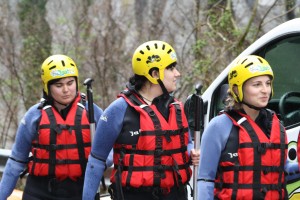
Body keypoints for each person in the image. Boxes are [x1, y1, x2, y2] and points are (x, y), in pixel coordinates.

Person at [83, 40, 200, 200]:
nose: (177, 73)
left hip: (176, 194)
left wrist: (191, 152)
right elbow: (96, 160)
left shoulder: (177, 108)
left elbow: (185, 143)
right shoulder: (119, 109)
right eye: (171, 68)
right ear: (154, 74)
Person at [0, 54, 108, 200]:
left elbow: (111, 151)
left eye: (70, 83)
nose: (66, 90)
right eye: (58, 85)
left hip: (80, 189)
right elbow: (16, 161)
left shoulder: (92, 113)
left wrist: (97, 164)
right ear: (47, 87)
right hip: (40, 192)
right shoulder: (34, 115)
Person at [197, 55, 288, 199]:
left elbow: (283, 170)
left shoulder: (278, 127)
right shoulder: (219, 126)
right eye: (257, 84)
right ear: (237, 89)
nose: (265, 90)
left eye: (268, 83)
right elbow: (205, 179)